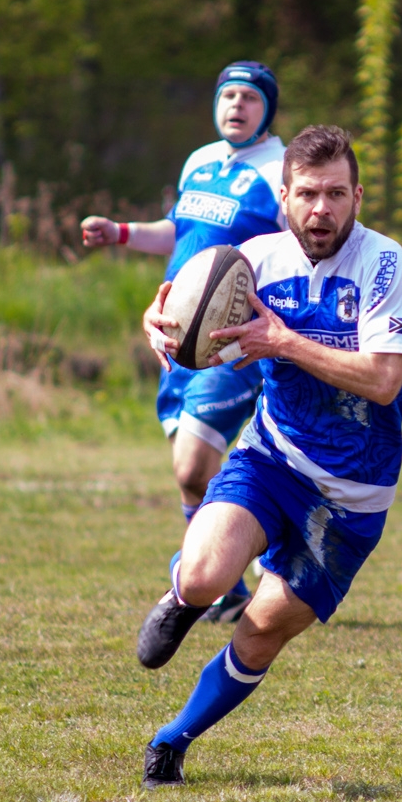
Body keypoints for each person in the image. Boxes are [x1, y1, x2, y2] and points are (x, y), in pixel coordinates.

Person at [132, 125, 402, 789]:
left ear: (358, 196)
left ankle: (172, 739)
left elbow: (383, 381)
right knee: (207, 578)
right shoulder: (253, 258)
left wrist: (284, 342)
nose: (322, 210)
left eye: (337, 195)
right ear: (284, 194)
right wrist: (164, 318)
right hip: (272, 458)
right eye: (309, 194)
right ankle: (184, 591)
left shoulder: (385, 266)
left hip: (353, 497)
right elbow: (192, 303)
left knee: (261, 629)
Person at [82, 61, 286, 623]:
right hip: (177, 331)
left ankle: (214, 570)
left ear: (267, 108)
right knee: (189, 464)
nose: (236, 106)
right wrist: (121, 233)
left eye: (249, 97)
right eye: (228, 96)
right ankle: (225, 579)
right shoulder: (200, 161)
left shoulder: (279, 169)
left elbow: (294, 252)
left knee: (192, 466)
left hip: (229, 338)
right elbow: (178, 231)